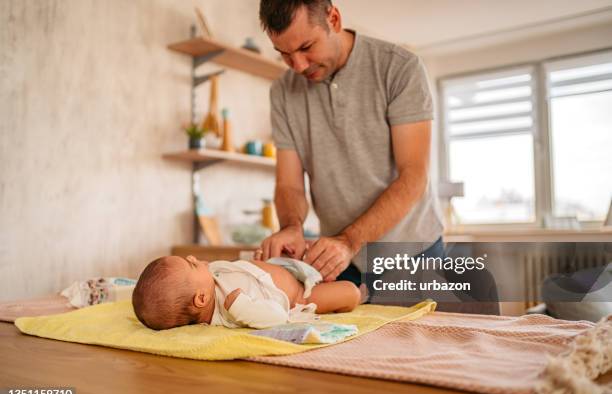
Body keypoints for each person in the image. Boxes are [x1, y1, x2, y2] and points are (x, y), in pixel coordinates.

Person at [255, 0, 444, 292]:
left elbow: (413, 176)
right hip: (341, 262)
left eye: (306, 47)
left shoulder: (399, 67)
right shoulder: (282, 91)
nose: (298, 66)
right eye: (284, 54)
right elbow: (289, 185)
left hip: (413, 253)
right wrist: (292, 227)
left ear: (333, 18)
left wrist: (349, 241)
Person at [132, 255, 360, 330]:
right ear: (201, 299)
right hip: (299, 295)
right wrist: (243, 308)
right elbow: (278, 317)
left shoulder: (211, 278)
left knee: (324, 260)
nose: (193, 257)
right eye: (191, 264)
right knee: (350, 293)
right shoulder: (232, 311)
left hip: (284, 266)